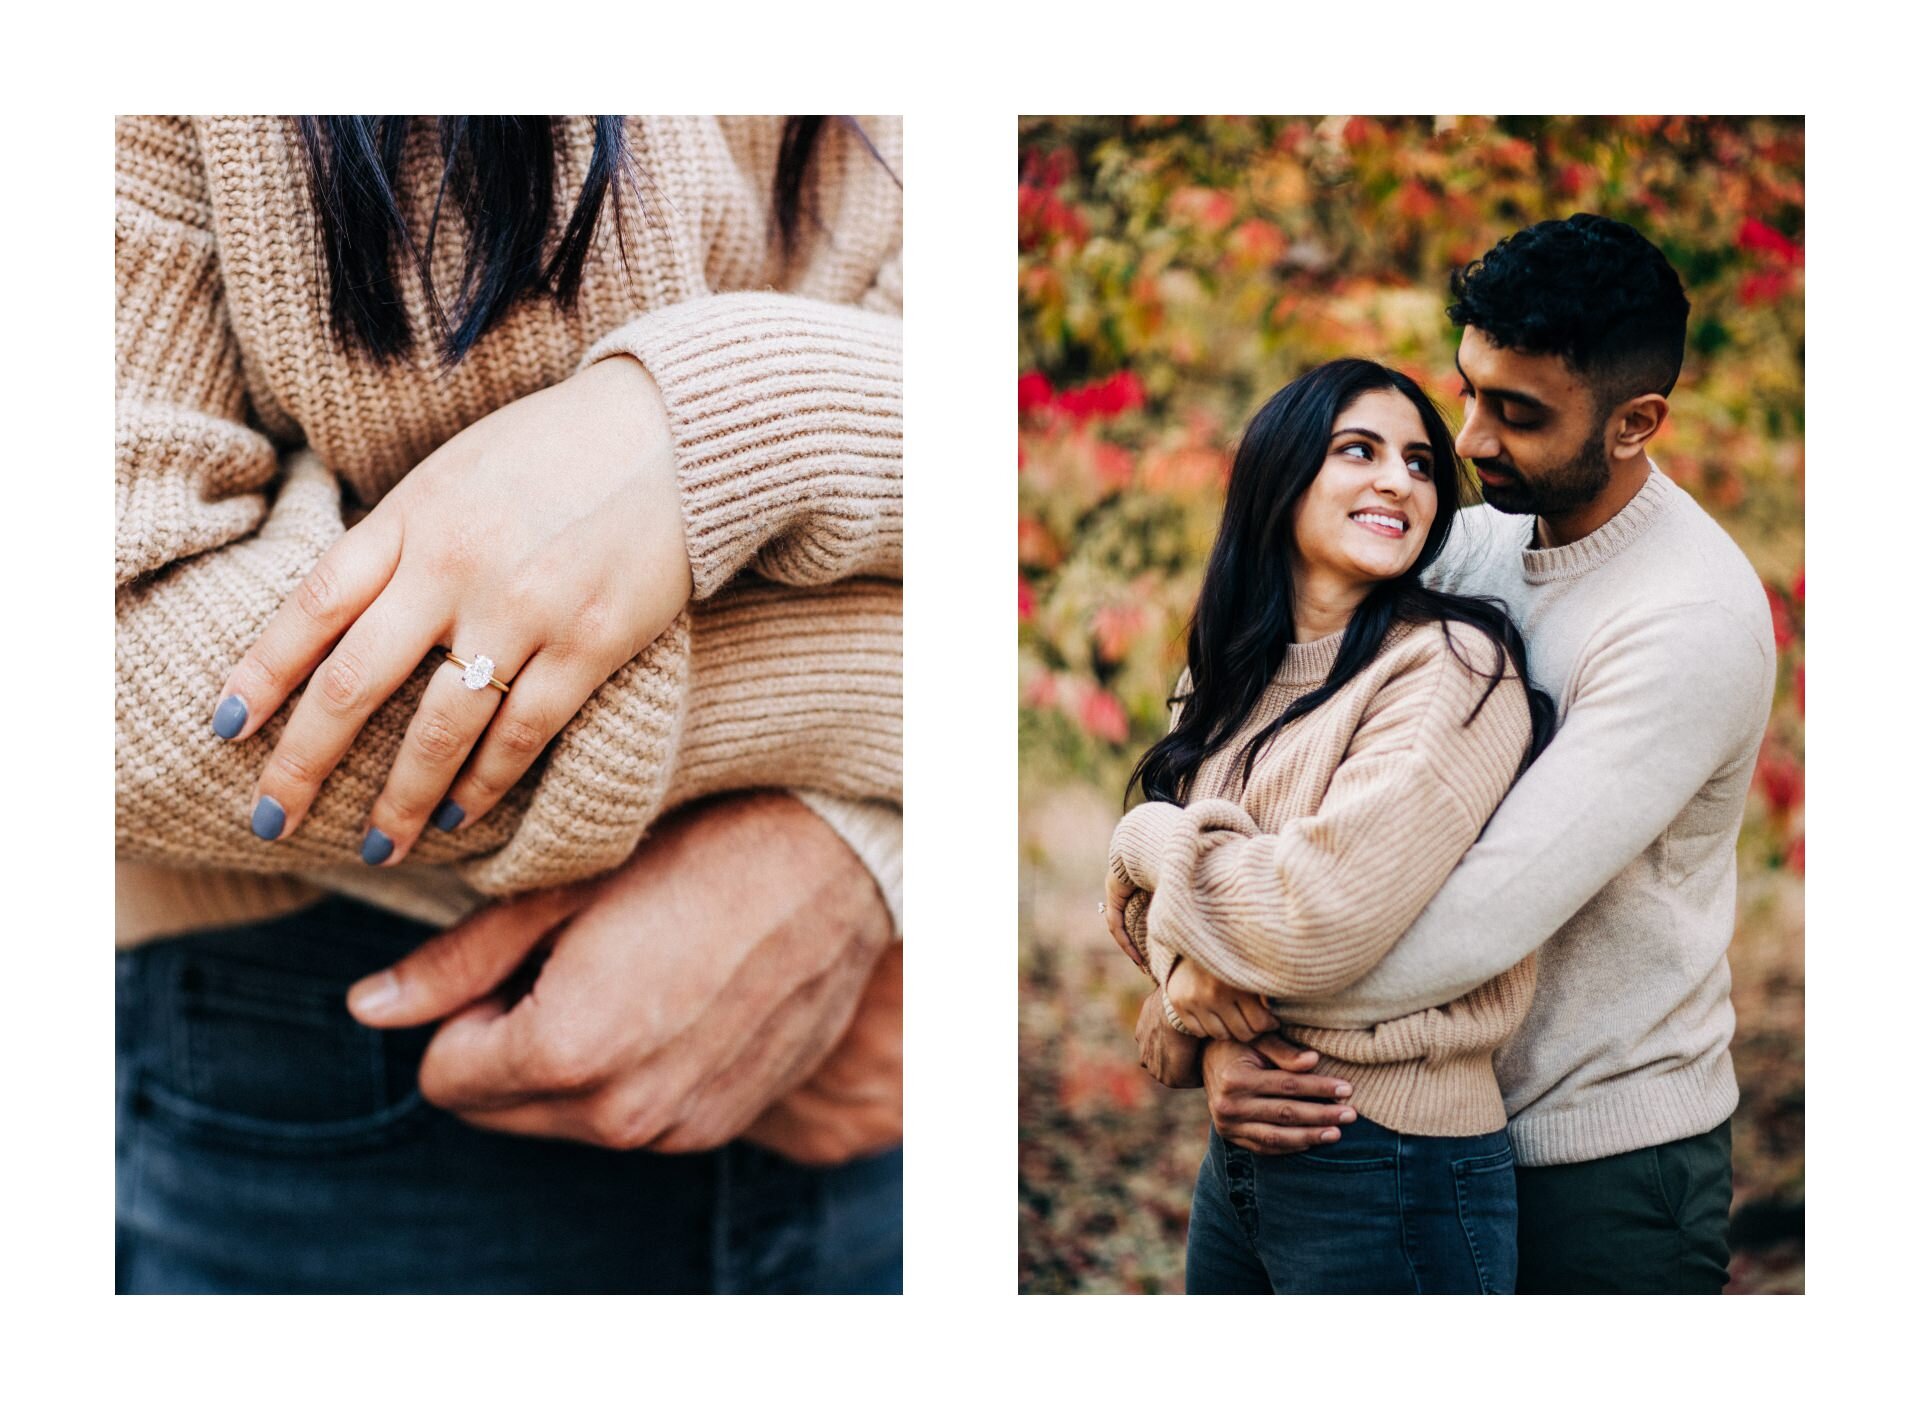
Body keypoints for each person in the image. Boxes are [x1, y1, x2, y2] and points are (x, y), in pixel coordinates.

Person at [115, 115, 903, 1292]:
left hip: (869, 1023)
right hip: (342, 1059)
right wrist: (888, 695)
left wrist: (705, 432)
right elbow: (117, 671)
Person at [1141, 214, 1776, 1294]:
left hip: (1601, 1154)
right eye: (1469, 391)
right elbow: (1251, 764)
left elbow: (1470, 921)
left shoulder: (1687, 619)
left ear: (1637, 423)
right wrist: (1198, 1016)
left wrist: (1215, 998)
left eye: (1517, 412)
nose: (1470, 440)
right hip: (1389, 1118)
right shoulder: (1473, 540)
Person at [1105, 358, 1557, 1294]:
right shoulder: (1233, 673)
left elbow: (1311, 921)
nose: (1400, 480)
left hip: (1393, 1161)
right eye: (1360, 450)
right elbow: (1161, 920)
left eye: (1423, 463)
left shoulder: (1449, 669)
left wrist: (1148, 852)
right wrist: (1191, 982)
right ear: (1284, 473)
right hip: (1241, 1158)